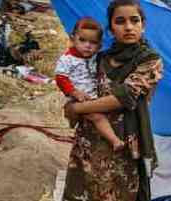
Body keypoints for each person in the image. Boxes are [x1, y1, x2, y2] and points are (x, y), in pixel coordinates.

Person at [62, 0, 164, 201]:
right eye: (120, 21)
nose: (128, 27)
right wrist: (71, 101)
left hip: (123, 144)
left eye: (134, 20)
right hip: (89, 141)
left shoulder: (150, 60)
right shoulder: (100, 58)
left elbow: (125, 97)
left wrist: (77, 109)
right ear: (110, 29)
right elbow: (79, 83)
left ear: (143, 25)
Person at [55, 18, 131, 157]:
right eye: (82, 40)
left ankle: (74, 121)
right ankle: (115, 141)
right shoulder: (67, 59)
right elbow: (61, 78)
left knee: (95, 117)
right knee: (98, 117)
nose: (87, 46)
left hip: (91, 96)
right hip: (77, 98)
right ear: (73, 39)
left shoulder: (95, 58)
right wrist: (74, 92)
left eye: (93, 42)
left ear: (99, 45)